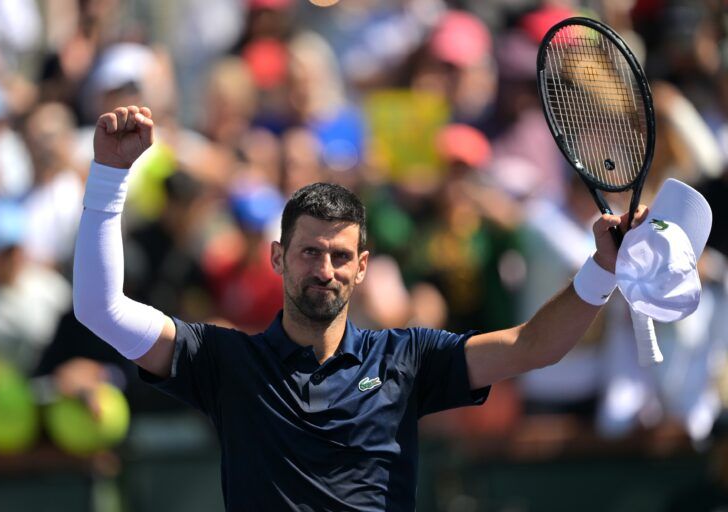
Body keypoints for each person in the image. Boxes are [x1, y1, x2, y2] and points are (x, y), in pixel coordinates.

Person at [73, 105, 647, 511]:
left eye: (340, 256)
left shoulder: (407, 356)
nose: (324, 270)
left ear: (363, 266)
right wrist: (109, 177)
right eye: (309, 253)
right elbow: (101, 310)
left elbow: (532, 347)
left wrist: (601, 269)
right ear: (277, 258)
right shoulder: (225, 360)